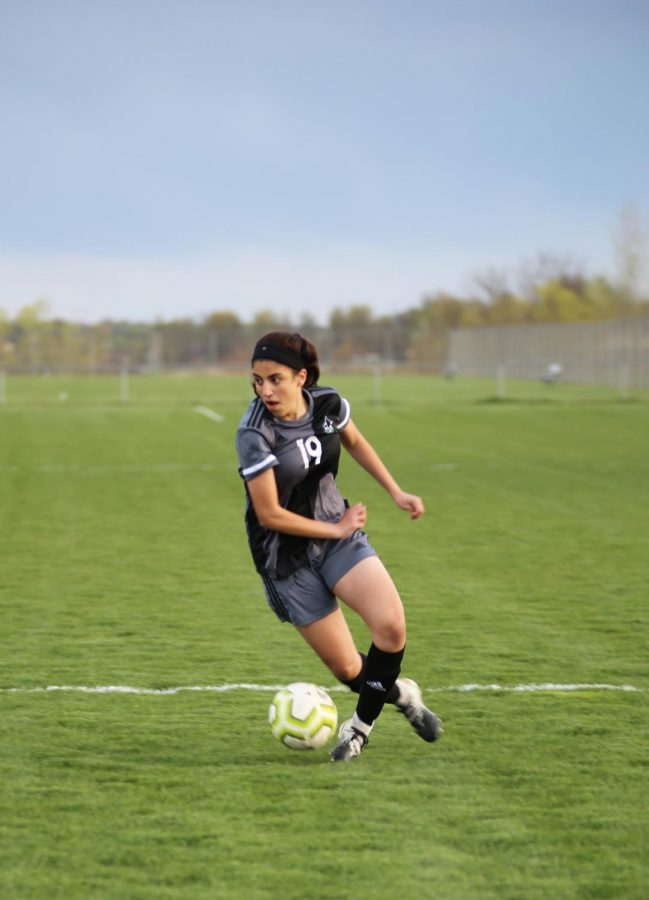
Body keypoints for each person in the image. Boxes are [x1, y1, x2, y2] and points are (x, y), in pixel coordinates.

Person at [236, 331, 442, 762]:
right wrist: (336, 528)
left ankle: (358, 730)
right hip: (287, 559)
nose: (265, 390)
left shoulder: (327, 404)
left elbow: (355, 441)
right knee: (349, 669)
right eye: (257, 381)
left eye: (275, 379)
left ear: (301, 377)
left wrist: (395, 491)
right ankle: (402, 695)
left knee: (390, 627)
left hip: (338, 535)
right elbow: (269, 514)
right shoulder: (255, 432)